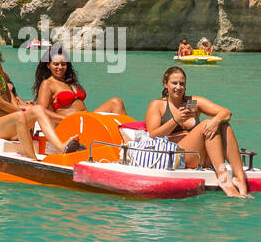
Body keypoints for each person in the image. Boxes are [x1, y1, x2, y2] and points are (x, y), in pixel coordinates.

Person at [145, 67, 249, 197]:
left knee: (224, 125)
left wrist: (216, 121)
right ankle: (224, 178)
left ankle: (240, 179)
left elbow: (226, 113)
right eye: (174, 83)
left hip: (202, 156)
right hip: (179, 156)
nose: (178, 87)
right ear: (166, 84)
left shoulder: (191, 103)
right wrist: (175, 120)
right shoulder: (158, 105)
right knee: (207, 123)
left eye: (182, 83)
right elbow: (152, 136)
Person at [0, 39, 80, 154]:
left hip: (10, 123)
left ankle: (61, 147)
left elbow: (8, 93)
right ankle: (33, 159)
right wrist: (22, 110)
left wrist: (22, 108)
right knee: (20, 116)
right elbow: (2, 104)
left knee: (38, 109)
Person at [33, 50, 126, 125]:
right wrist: (64, 119)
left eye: (63, 64)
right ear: (48, 65)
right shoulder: (48, 83)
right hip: (71, 123)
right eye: (56, 64)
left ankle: (130, 136)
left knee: (116, 102)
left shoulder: (69, 81)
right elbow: (41, 110)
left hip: (87, 118)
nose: (60, 67)